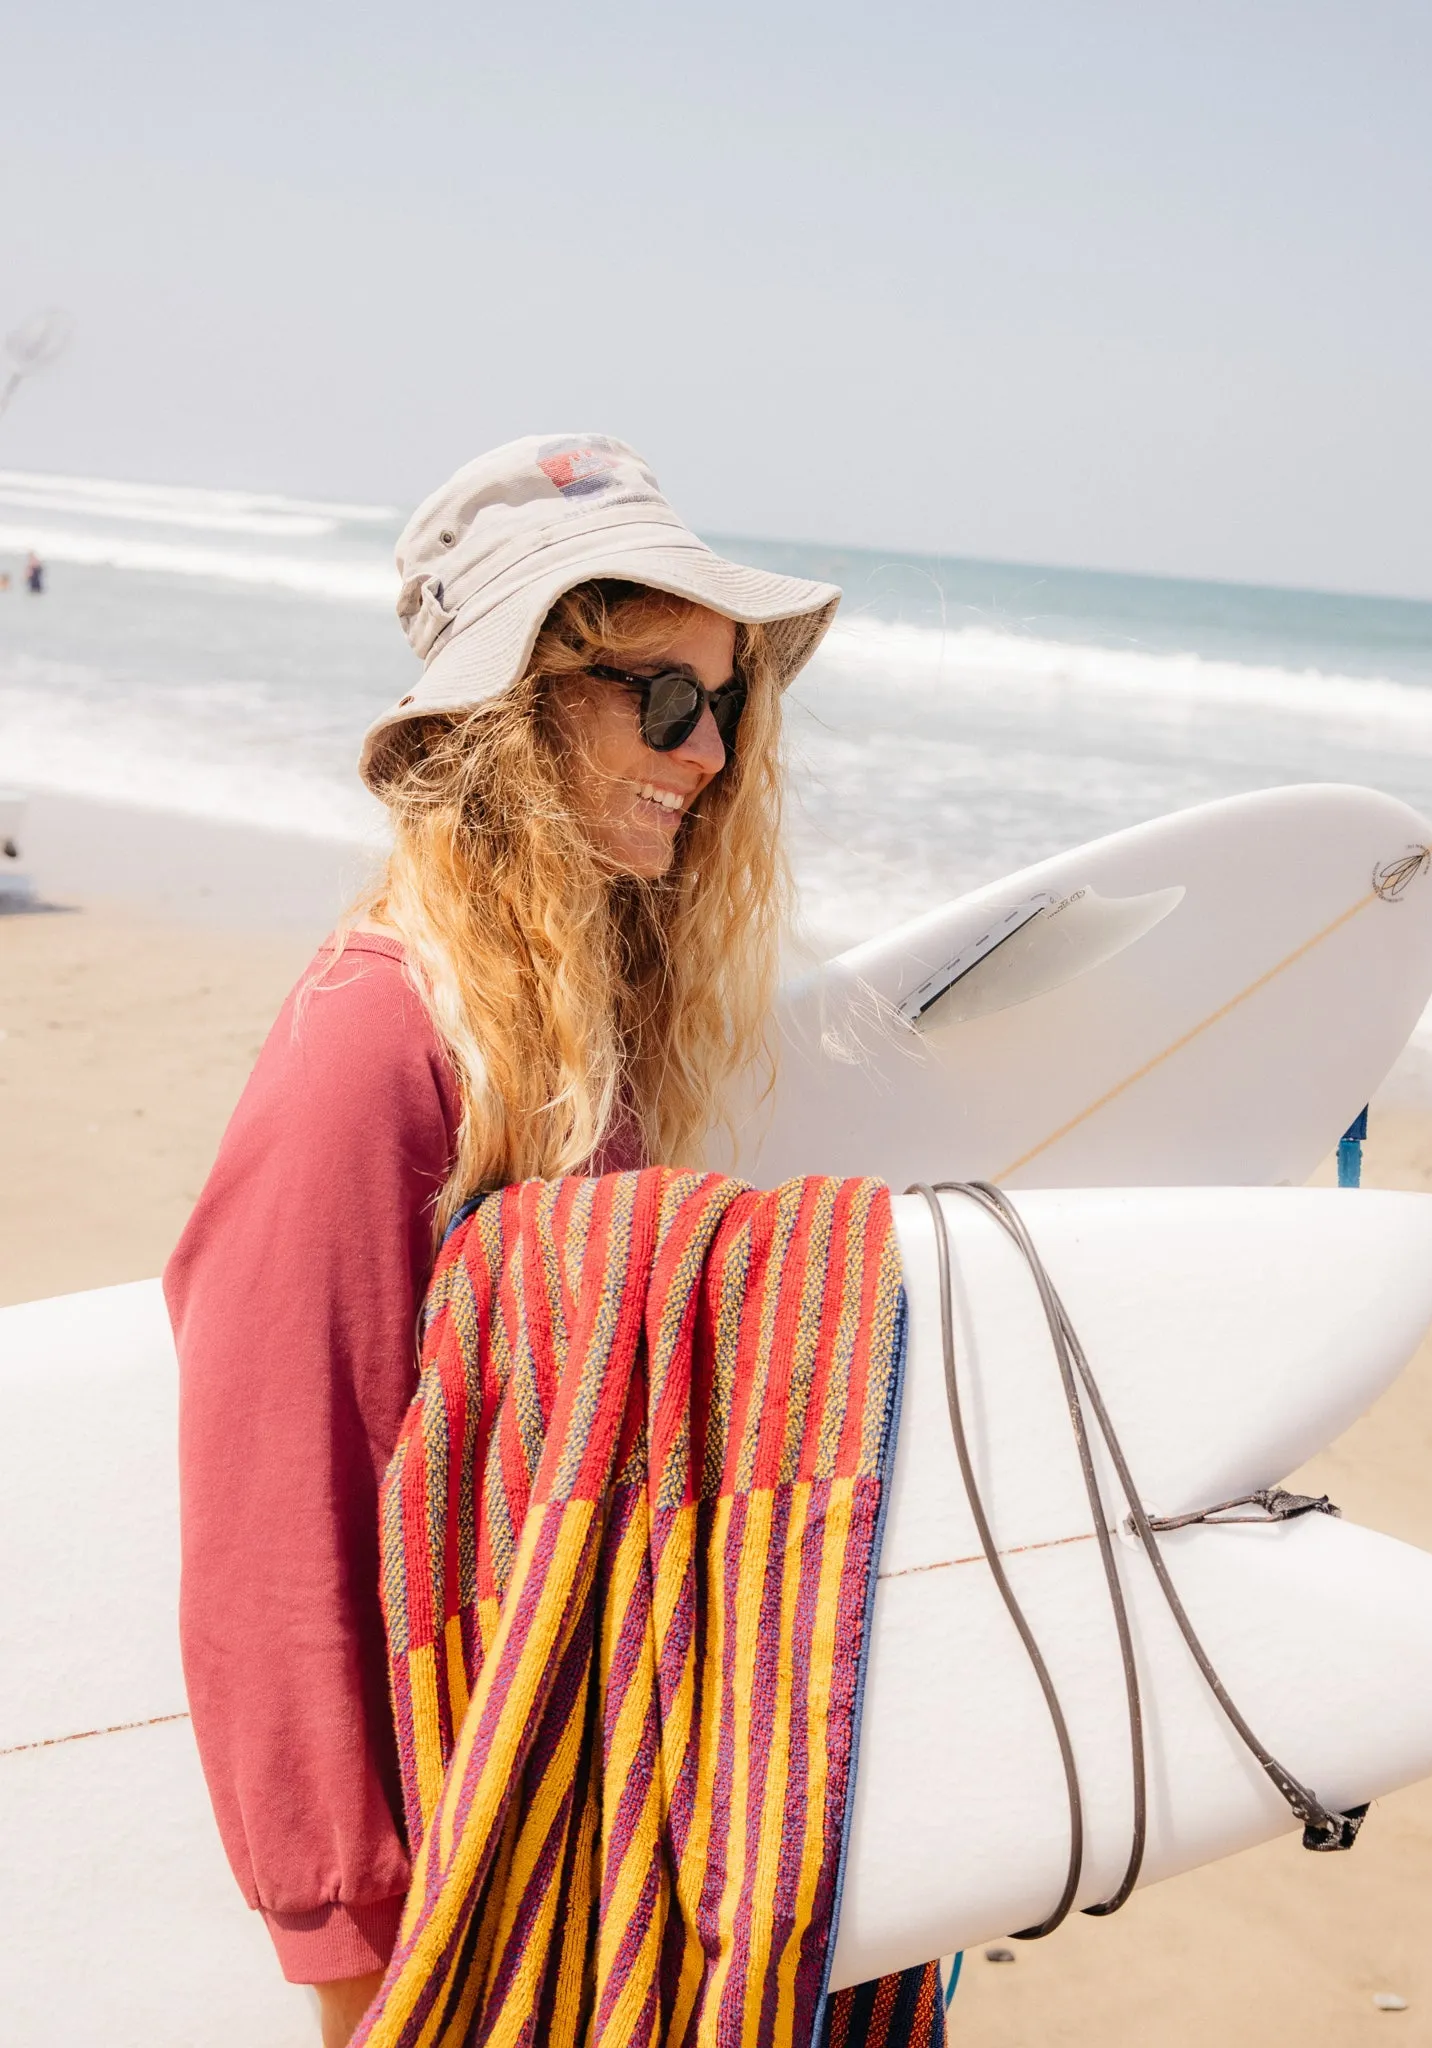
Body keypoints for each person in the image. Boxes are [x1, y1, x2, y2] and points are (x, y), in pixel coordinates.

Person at [164, 435, 839, 2047]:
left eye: (730, 699)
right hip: (456, 1900)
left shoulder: (567, 1033)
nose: (712, 750)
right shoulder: (380, 1040)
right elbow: (269, 1541)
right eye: (662, 699)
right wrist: (358, 1958)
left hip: (571, 1831)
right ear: (517, 714)